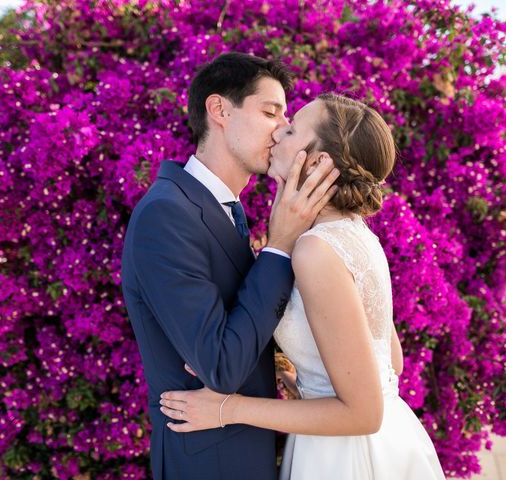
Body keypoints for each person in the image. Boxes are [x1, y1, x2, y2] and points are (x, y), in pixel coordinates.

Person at [159, 94, 447, 480]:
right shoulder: (353, 233)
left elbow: (363, 412)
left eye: (292, 128)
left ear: (317, 161)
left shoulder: (317, 250)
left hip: (345, 458)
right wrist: (306, 379)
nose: (279, 130)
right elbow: (388, 362)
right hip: (380, 442)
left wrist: (228, 409)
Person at [120, 53, 340, 480]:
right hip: (207, 461)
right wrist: (278, 248)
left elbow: (237, 332)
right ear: (219, 110)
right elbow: (221, 365)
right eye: (269, 111)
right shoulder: (166, 215)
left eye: (286, 116)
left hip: (245, 449)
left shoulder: (225, 210)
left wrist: (278, 362)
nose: (281, 129)